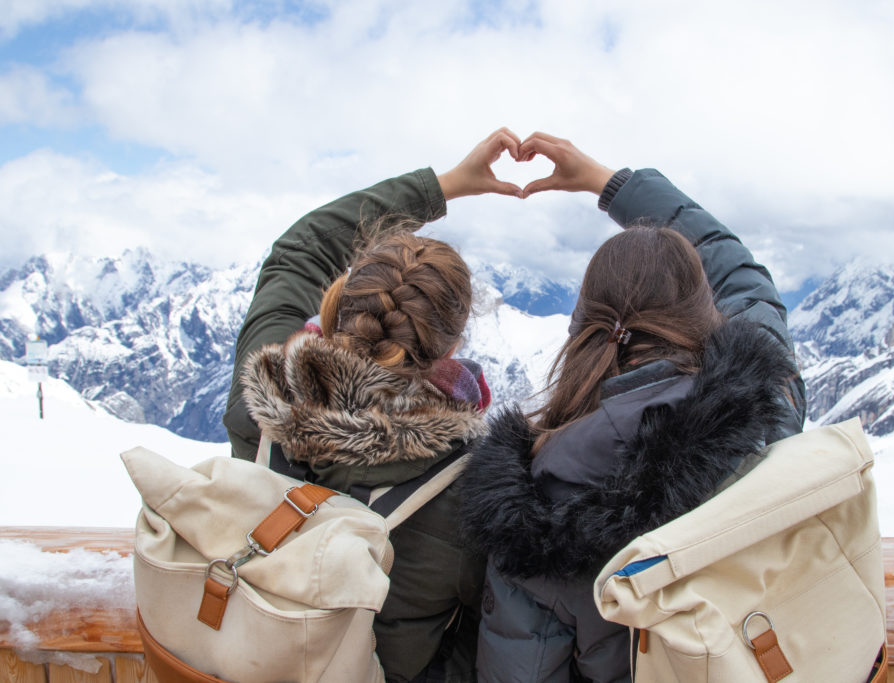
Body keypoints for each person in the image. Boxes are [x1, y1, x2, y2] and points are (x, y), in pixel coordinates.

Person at [459, 132, 807, 682]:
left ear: (581, 329)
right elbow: (740, 271)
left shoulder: (532, 509)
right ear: (704, 311)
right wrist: (606, 181)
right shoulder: (766, 408)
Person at [222, 128, 528, 683]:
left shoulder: (261, 398)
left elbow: (303, 246)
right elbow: (481, 642)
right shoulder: (478, 489)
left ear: (336, 302)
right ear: (452, 346)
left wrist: (447, 184)